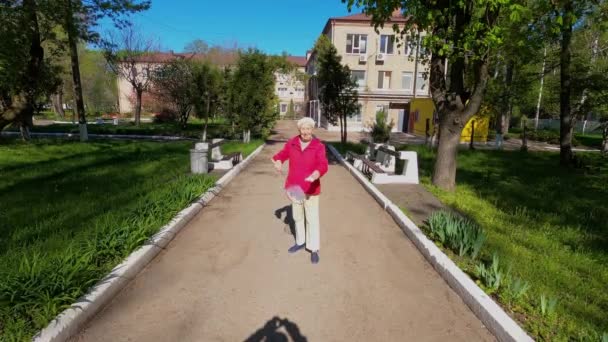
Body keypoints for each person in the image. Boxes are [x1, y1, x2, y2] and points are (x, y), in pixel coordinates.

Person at [272, 117, 328, 264]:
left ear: (312, 130)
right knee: (297, 216)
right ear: (299, 130)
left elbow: (323, 164)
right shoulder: (293, 143)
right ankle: (301, 241)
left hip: (311, 188)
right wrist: (278, 160)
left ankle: (313, 248)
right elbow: (283, 154)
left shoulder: (318, 146)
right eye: (303, 129)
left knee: (312, 219)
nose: (306, 132)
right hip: (295, 187)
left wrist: (317, 173)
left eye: (308, 129)